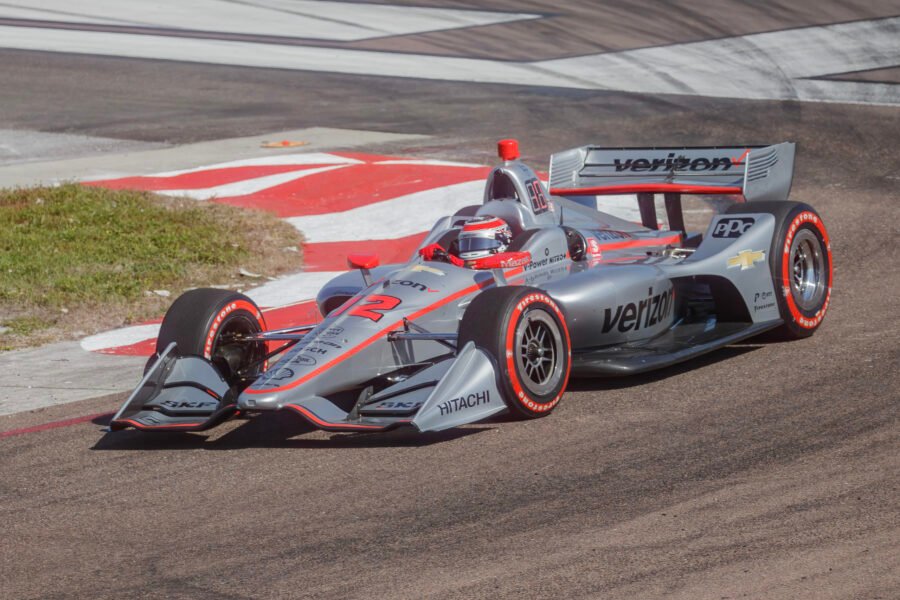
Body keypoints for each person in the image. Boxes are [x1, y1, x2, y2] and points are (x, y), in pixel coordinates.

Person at [418, 216, 519, 268]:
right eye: (467, 244)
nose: (471, 250)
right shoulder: (456, 259)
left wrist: (453, 260)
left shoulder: (511, 260)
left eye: (479, 243)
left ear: (501, 241)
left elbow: (475, 265)